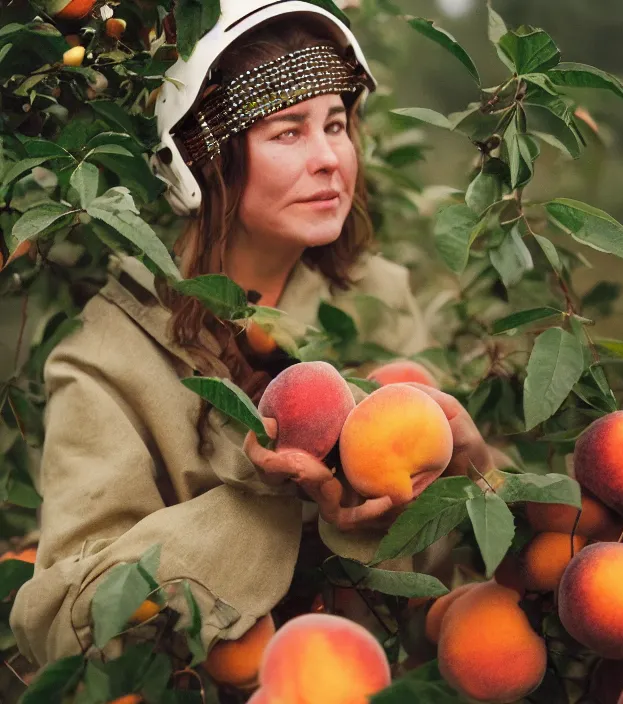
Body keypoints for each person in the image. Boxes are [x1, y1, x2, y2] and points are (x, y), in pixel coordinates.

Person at [10, 0, 495, 671]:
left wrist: (473, 474)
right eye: (288, 132)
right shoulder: (108, 358)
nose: (330, 158)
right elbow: (68, 624)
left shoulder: (379, 298)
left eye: (336, 124)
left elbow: (456, 598)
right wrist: (269, 499)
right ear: (201, 162)